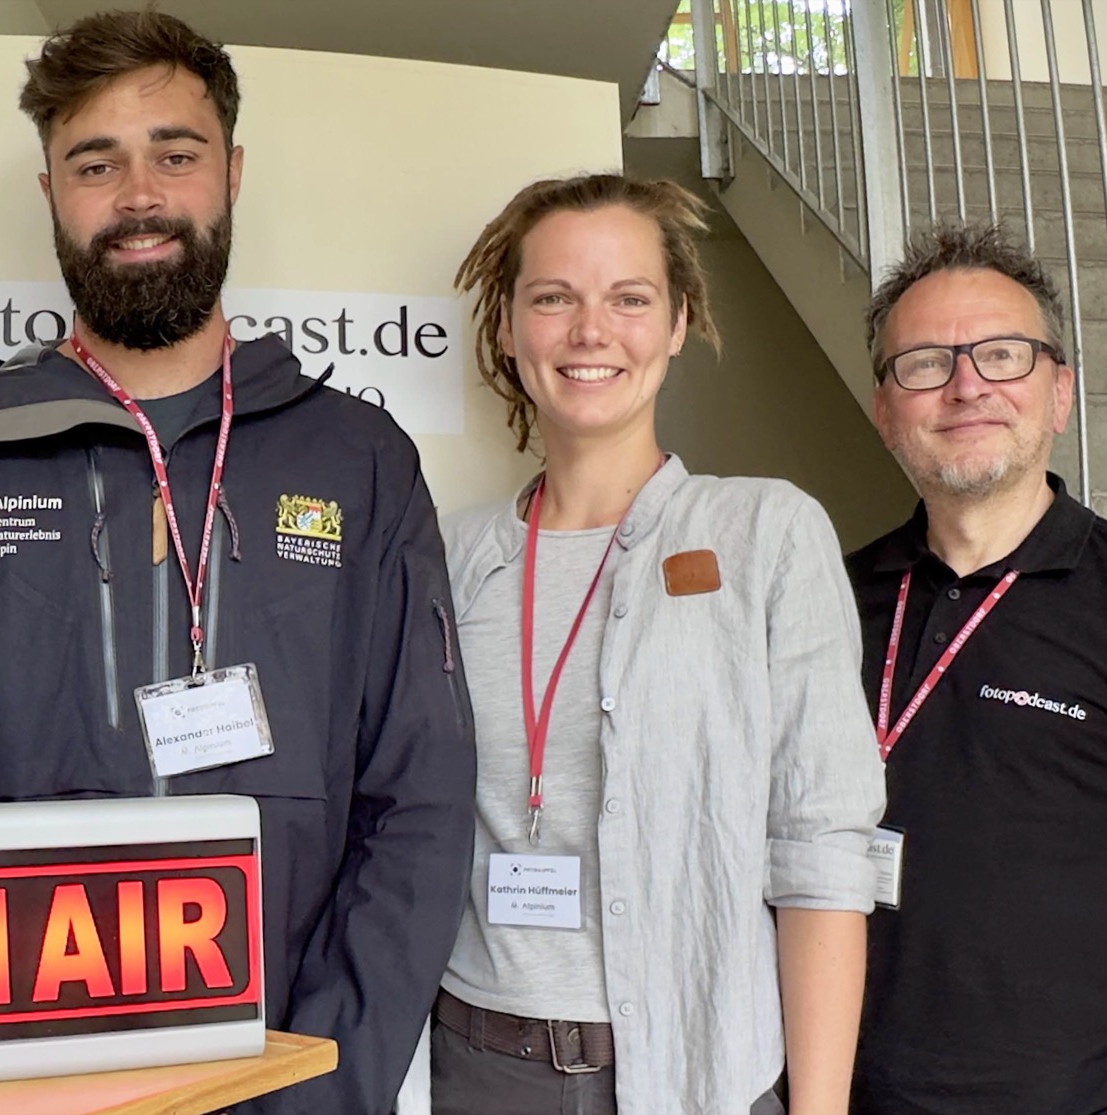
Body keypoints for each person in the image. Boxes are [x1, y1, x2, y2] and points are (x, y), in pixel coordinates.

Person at [0, 11, 476, 1113]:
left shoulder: (359, 461)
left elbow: (416, 796)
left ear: (230, 173)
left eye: (174, 155)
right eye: (97, 163)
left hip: (288, 1077)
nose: (139, 195)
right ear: (50, 190)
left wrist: (325, 1077)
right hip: (16, 1083)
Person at [430, 172, 885, 1115]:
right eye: (553, 297)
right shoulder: (451, 553)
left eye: (628, 298)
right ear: (509, 327)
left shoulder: (766, 533)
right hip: (474, 1068)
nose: (590, 331)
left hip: (698, 1073)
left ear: (678, 321)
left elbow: (820, 850)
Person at [846, 222, 1107, 1115]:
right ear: (885, 409)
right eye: (925, 362)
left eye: (1002, 355)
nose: (967, 385)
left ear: (1060, 393)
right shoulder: (824, 599)